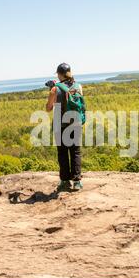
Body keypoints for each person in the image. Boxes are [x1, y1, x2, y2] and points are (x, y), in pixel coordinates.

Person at [46, 63, 83, 191]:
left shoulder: (55, 89)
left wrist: (52, 90)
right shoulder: (78, 86)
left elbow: (48, 108)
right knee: (75, 152)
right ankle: (77, 182)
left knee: (62, 153)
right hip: (75, 123)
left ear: (60, 74)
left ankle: (65, 181)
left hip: (60, 124)